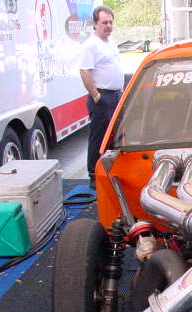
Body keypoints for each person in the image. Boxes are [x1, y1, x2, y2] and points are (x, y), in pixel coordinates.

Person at [79, 5, 124, 189]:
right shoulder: (91, 45)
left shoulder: (110, 42)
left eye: (111, 22)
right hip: (103, 97)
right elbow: (85, 71)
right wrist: (96, 96)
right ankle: (93, 175)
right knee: (99, 137)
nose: (108, 26)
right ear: (95, 24)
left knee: (114, 137)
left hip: (116, 96)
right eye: (104, 23)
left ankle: (110, 171)